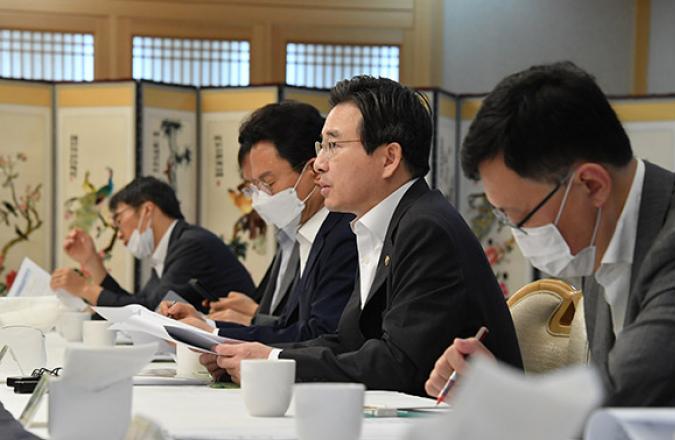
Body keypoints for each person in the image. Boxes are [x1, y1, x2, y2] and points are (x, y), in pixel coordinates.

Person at [200, 76, 522, 397]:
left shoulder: (426, 228)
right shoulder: (382, 225)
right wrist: (261, 354)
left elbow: (399, 364)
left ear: (389, 159)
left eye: (333, 146)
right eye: (321, 146)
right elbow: (348, 341)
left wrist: (275, 362)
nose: (319, 164)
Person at [426, 61, 675, 407]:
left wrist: (499, 395)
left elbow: (622, 394)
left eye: (520, 216)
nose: (517, 234)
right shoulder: (599, 236)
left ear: (591, 184)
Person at [163, 101, 358, 343]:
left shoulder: (345, 235)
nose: (260, 199)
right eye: (255, 187)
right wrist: (206, 324)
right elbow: (288, 326)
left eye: (268, 183)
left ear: (314, 170)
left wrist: (212, 333)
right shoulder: (308, 234)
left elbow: (318, 334)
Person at [50, 176, 255, 311]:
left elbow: (150, 312)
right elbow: (138, 305)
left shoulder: (191, 245)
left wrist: (85, 289)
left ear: (147, 210)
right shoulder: (174, 245)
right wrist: (91, 261)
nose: (118, 234)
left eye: (119, 221)